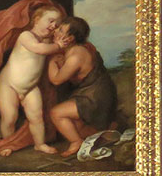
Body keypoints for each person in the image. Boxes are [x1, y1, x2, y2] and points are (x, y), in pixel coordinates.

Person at [0, 0, 66, 159]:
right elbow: (39, 49)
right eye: (50, 20)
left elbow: (51, 50)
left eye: (57, 23)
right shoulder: (26, 36)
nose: (54, 25)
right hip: (9, 85)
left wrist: (58, 44)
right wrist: (58, 46)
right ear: (36, 19)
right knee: (10, 118)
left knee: (36, 116)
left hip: (30, 87)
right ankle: (8, 144)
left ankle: (39, 144)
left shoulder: (49, 41)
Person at [46, 17, 118, 158]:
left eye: (60, 30)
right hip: (90, 93)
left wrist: (52, 62)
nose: (56, 31)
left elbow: (56, 80)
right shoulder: (76, 50)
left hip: (96, 97)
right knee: (77, 128)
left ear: (70, 38)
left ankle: (76, 142)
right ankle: (105, 130)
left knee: (56, 113)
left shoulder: (76, 56)